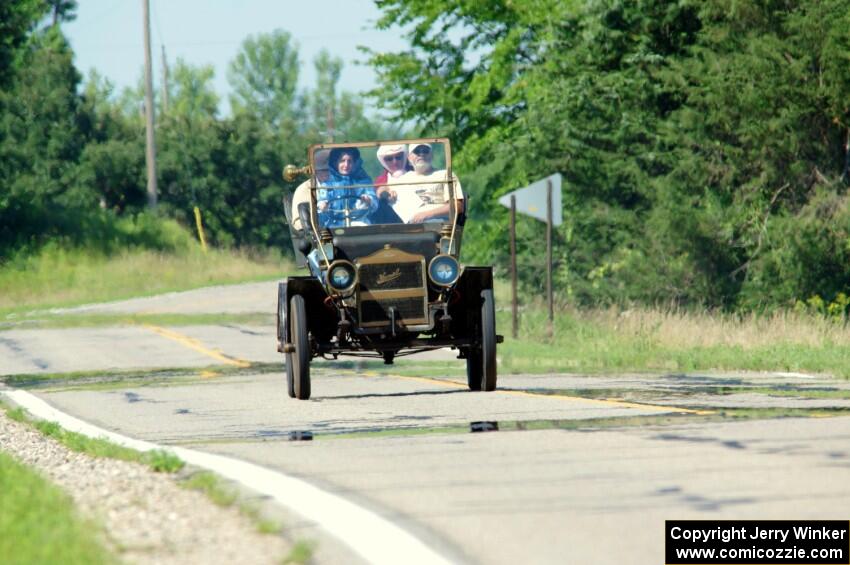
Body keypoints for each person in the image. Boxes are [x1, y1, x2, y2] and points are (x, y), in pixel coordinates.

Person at [388, 142, 464, 223]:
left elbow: (457, 206)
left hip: (440, 224)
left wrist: (426, 214)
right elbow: (382, 190)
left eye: (425, 151)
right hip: (411, 225)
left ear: (431, 156)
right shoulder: (403, 179)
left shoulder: (445, 174)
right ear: (409, 158)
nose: (421, 154)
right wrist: (386, 192)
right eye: (417, 151)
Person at [317, 147, 377, 228]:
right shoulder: (327, 185)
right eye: (342, 161)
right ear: (335, 163)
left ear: (355, 163)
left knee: (366, 231)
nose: (346, 165)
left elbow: (373, 201)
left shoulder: (363, 181)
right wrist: (322, 205)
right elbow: (321, 203)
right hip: (333, 224)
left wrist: (368, 200)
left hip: (359, 221)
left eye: (350, 161)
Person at [289, 149, 330, 232]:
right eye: (323, 170)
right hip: (321, 235)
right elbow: (299, 223)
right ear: (315, 171)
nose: (328, 173)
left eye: (330, 170)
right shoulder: (304, 189)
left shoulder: (344, 185)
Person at [370, 143, 408, 224]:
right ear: (383, 161)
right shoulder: (381, 180)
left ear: (404, 157)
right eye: (389, 159)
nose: (395, 162)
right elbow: (379, 191)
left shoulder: (415, 173)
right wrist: (384, 190)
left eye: (398, 157)